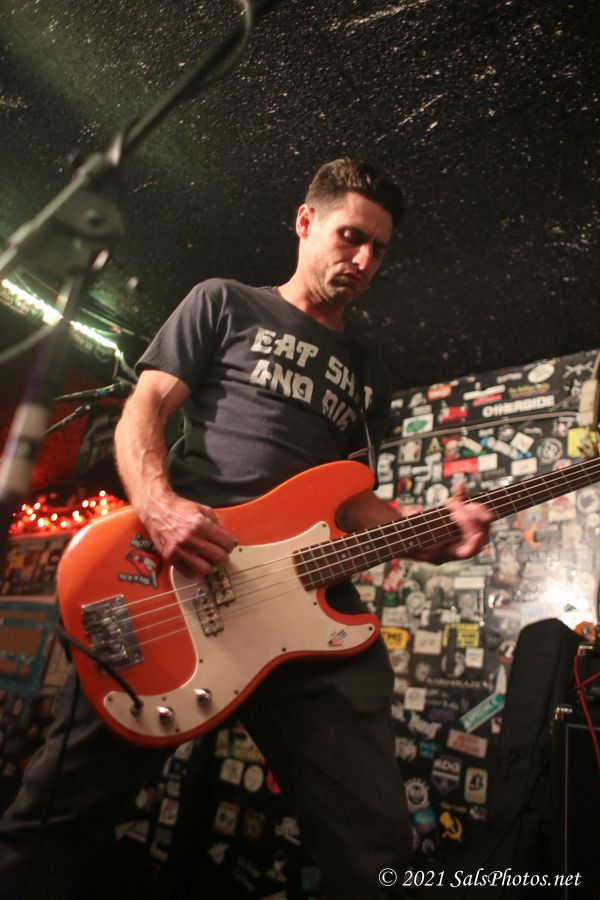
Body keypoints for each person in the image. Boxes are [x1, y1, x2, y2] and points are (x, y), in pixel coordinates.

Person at [0, 158, 492, 899]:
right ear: (306, 221)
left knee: (376, 847)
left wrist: (428, 536)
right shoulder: (224, 303)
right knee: (54, 816)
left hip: (309, 610)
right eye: (351, 236)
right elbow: (144, 408)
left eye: (379, 249)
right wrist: (159, 506)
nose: (364, 260)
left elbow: (355, 503)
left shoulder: (370, 372)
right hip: (182, 578)